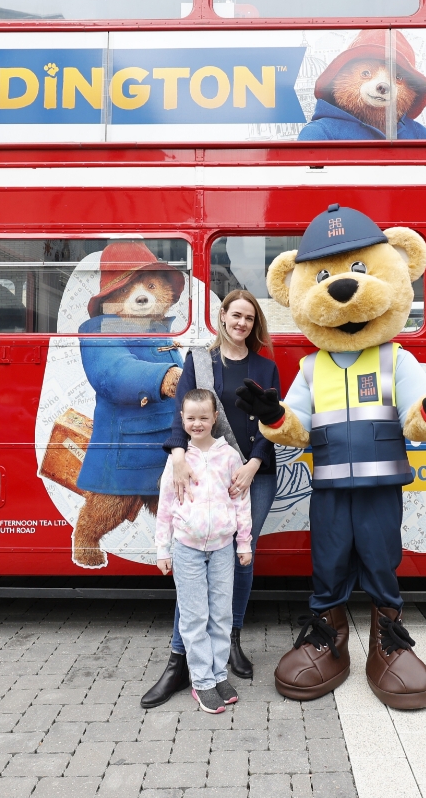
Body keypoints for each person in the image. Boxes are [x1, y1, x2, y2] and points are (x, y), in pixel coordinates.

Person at [141, 290, 280, 708]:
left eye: (249, 318)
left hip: (252, 474)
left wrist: (252, 465)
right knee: (194, 569)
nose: (241, 323)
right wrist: (179, 457)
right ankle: (178, 660)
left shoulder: (266, 366)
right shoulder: (199, 360)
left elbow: (274, 423)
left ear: (255, 325)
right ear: (222, 316)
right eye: (235, 315)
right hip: (204, 471)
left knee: (241, 557)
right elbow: (180, 414)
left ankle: (230, 641)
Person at [155, 388, 253, 713]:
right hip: (187, 549)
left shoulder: (229, 456)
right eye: (191, 418)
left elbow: (241, 500)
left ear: (215, 418)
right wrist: (162, 550)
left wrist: (244, 542)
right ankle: (201, 681)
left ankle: (218, 673)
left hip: (223, 548)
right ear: (182, 419)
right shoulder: (177, 460)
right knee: (195, 615)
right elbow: (166, 507)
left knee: (221, 614)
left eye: (203, 417)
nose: (197, 424)